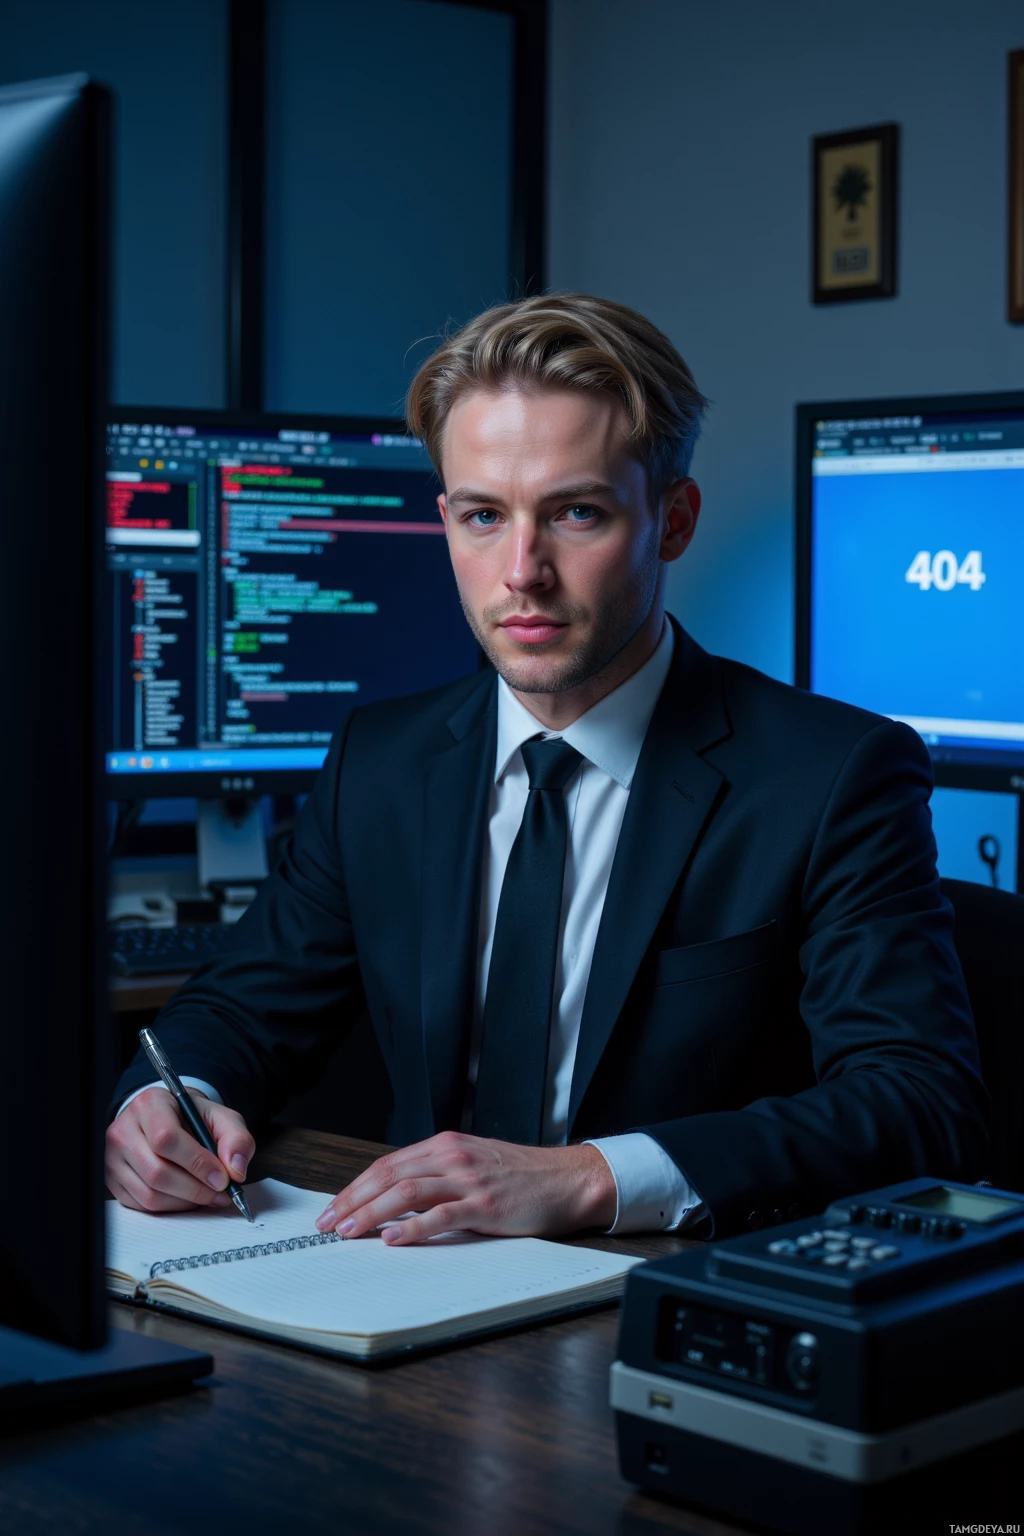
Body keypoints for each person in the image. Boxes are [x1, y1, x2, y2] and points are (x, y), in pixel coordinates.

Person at [106, 293, 989, 1243]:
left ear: (674, 520)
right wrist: (166, 1102)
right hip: (397, 1289)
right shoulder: (382, 761)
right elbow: (238, 1008)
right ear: (444, 521)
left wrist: (592, 1177)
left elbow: (917, 1101)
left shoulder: (832, 774)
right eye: (484, 516)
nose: (521, 570)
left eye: (576, 513)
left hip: (666, 1306)